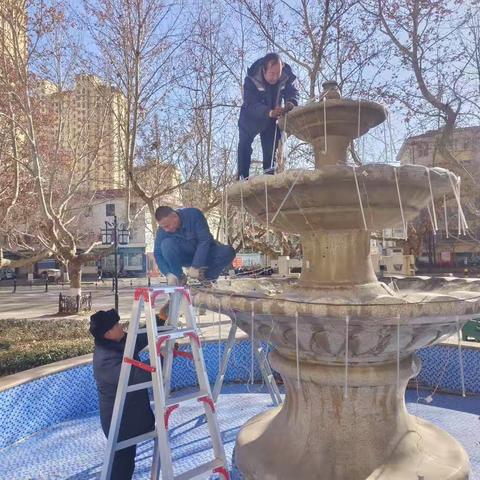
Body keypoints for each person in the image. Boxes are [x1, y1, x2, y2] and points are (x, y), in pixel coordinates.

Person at [90, 309, 160, 480]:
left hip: (132, 415)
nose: (121, 326)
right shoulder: (105, 360)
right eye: (116, 325)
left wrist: (162, 316)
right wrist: (162, 357)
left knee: (126, 461)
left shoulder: (118, 342)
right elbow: (140, 375)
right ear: (108, 334)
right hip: (119, 423)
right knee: (122, 463)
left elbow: (141, 337)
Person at [237, 52, 299, 180]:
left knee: (271, 150)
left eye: (278, 73)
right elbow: (250, 103)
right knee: (244, 146)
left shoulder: (286, 75)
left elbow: (293, 91)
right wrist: (268, 112)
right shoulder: (251, 79)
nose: (276, 77)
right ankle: (242, 179)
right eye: (272, 73)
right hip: (250, 117)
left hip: (272, 118)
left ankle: (269, 178)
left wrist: (290, 103)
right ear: (264, 70)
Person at [154, 205, 235, 286]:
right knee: (166, 244)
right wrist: (168, 274)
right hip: (185, 258)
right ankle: (179, 277)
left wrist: (196, 265)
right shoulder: (162, 230)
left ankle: (207, 278)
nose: (166, 230)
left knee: (228, 252)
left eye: (167, 226)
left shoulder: (194, 215)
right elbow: (158, 253)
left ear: (175, 216)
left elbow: (204, 240)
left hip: (206, 254)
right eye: (163, 227)